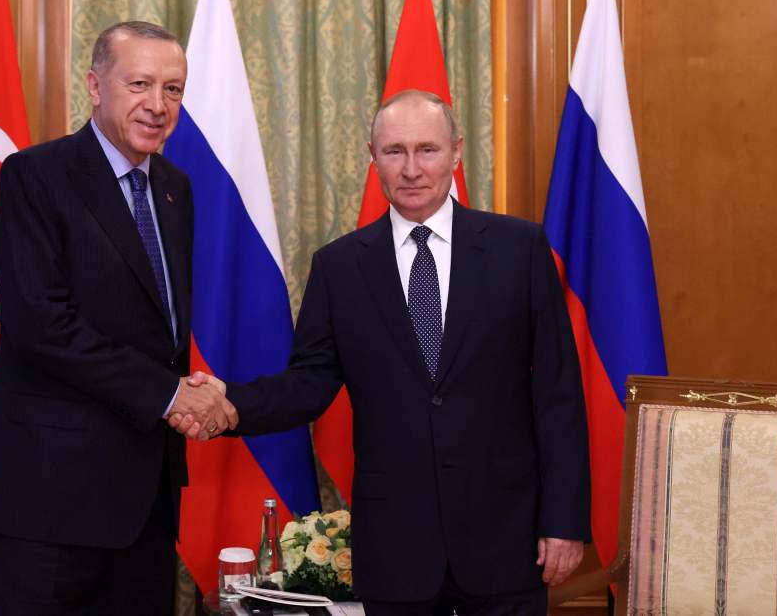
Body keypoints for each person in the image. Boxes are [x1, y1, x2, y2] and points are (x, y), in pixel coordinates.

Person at [178, 89, 590, 615]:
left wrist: (564, 521)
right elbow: (309, 382)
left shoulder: (519, 249)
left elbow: (557, 394)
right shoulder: (341, 267)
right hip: (397, 549)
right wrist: (230, 403)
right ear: (373, 159)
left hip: (505, 540)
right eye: (394, 151)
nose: (412, 168)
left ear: (456, 152)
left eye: (428, 150)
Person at [0, 20, 237, 614]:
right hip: (49, 501)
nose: (157, 105)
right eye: (139, 83)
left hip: (146, 500)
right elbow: (43, 328)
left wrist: (190, 390)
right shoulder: (36, 176)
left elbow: (156, 326)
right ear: (94, 84)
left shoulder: (175, 188)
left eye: (173, 89)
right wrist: (171, 395)